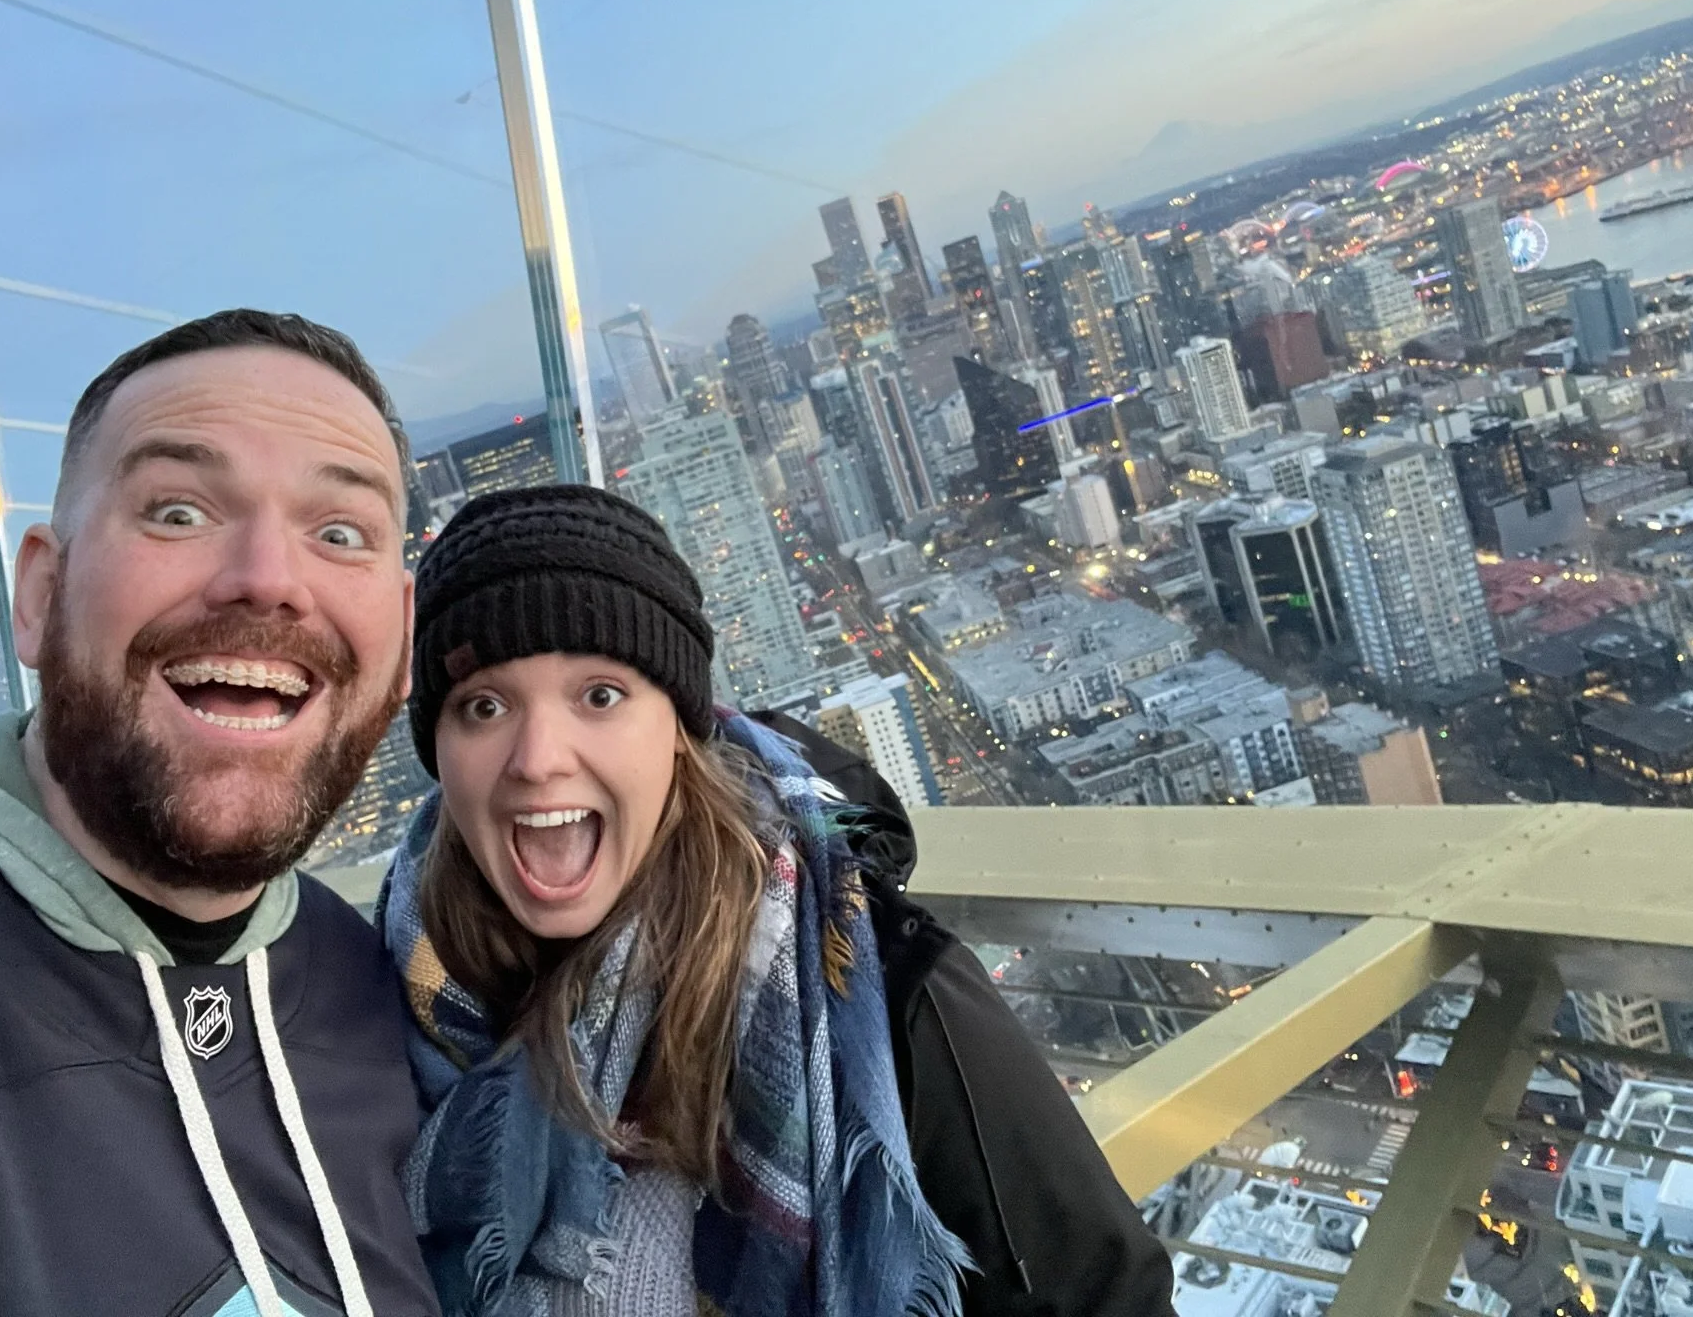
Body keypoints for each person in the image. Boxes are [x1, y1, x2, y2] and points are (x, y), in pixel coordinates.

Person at [0, 310, 441, 1316]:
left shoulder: (370, 990)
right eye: (176, 511)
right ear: (39, 594)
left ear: (403, 646)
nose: (267, 577)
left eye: (339, 533)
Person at [379, 483, 1176, 1317]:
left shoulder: (875, 991)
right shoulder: (387, 998)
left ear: (680, 729)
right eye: (484, 705)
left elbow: (1101, 1298)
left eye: (600, 696)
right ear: (440, 745)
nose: (537, 758)